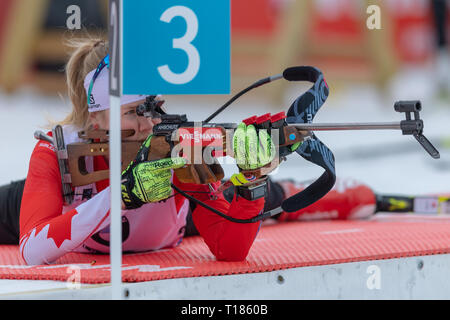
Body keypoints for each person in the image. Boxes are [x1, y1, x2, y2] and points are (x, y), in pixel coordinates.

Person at [2, 38, 377, 265]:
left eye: (155, 107)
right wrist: (123, 194)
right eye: (134, 113)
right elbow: (33, 251)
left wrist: (252, 178)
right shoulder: (57, 153)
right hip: (61, 204)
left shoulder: (176, 147)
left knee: (276, 198)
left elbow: (231, 252)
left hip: (176, 226)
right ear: (95, 119)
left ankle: (353, 194)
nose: (150, 124)